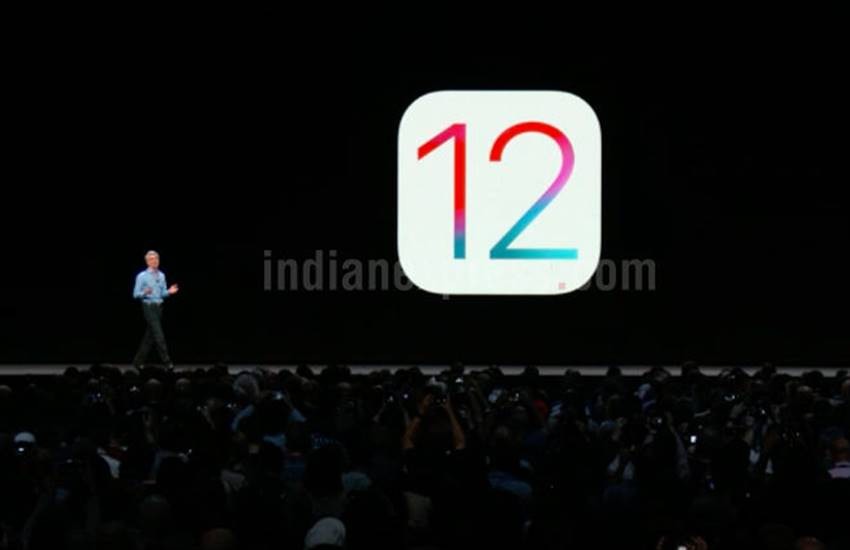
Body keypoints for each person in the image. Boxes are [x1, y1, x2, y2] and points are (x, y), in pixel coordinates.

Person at [132, 250, 178, 369]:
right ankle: (167, 362)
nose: (155, 261)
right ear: (147, 262)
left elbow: (162, 294)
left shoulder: (162, 275)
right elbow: (135, 294)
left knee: (149, 337)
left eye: (156, 258)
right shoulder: (142, 276)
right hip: (149, 307)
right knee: (159, 335)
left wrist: (169, 291)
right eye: (152, 259)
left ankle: (137, 362)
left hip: (159, 308)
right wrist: (144, 292)